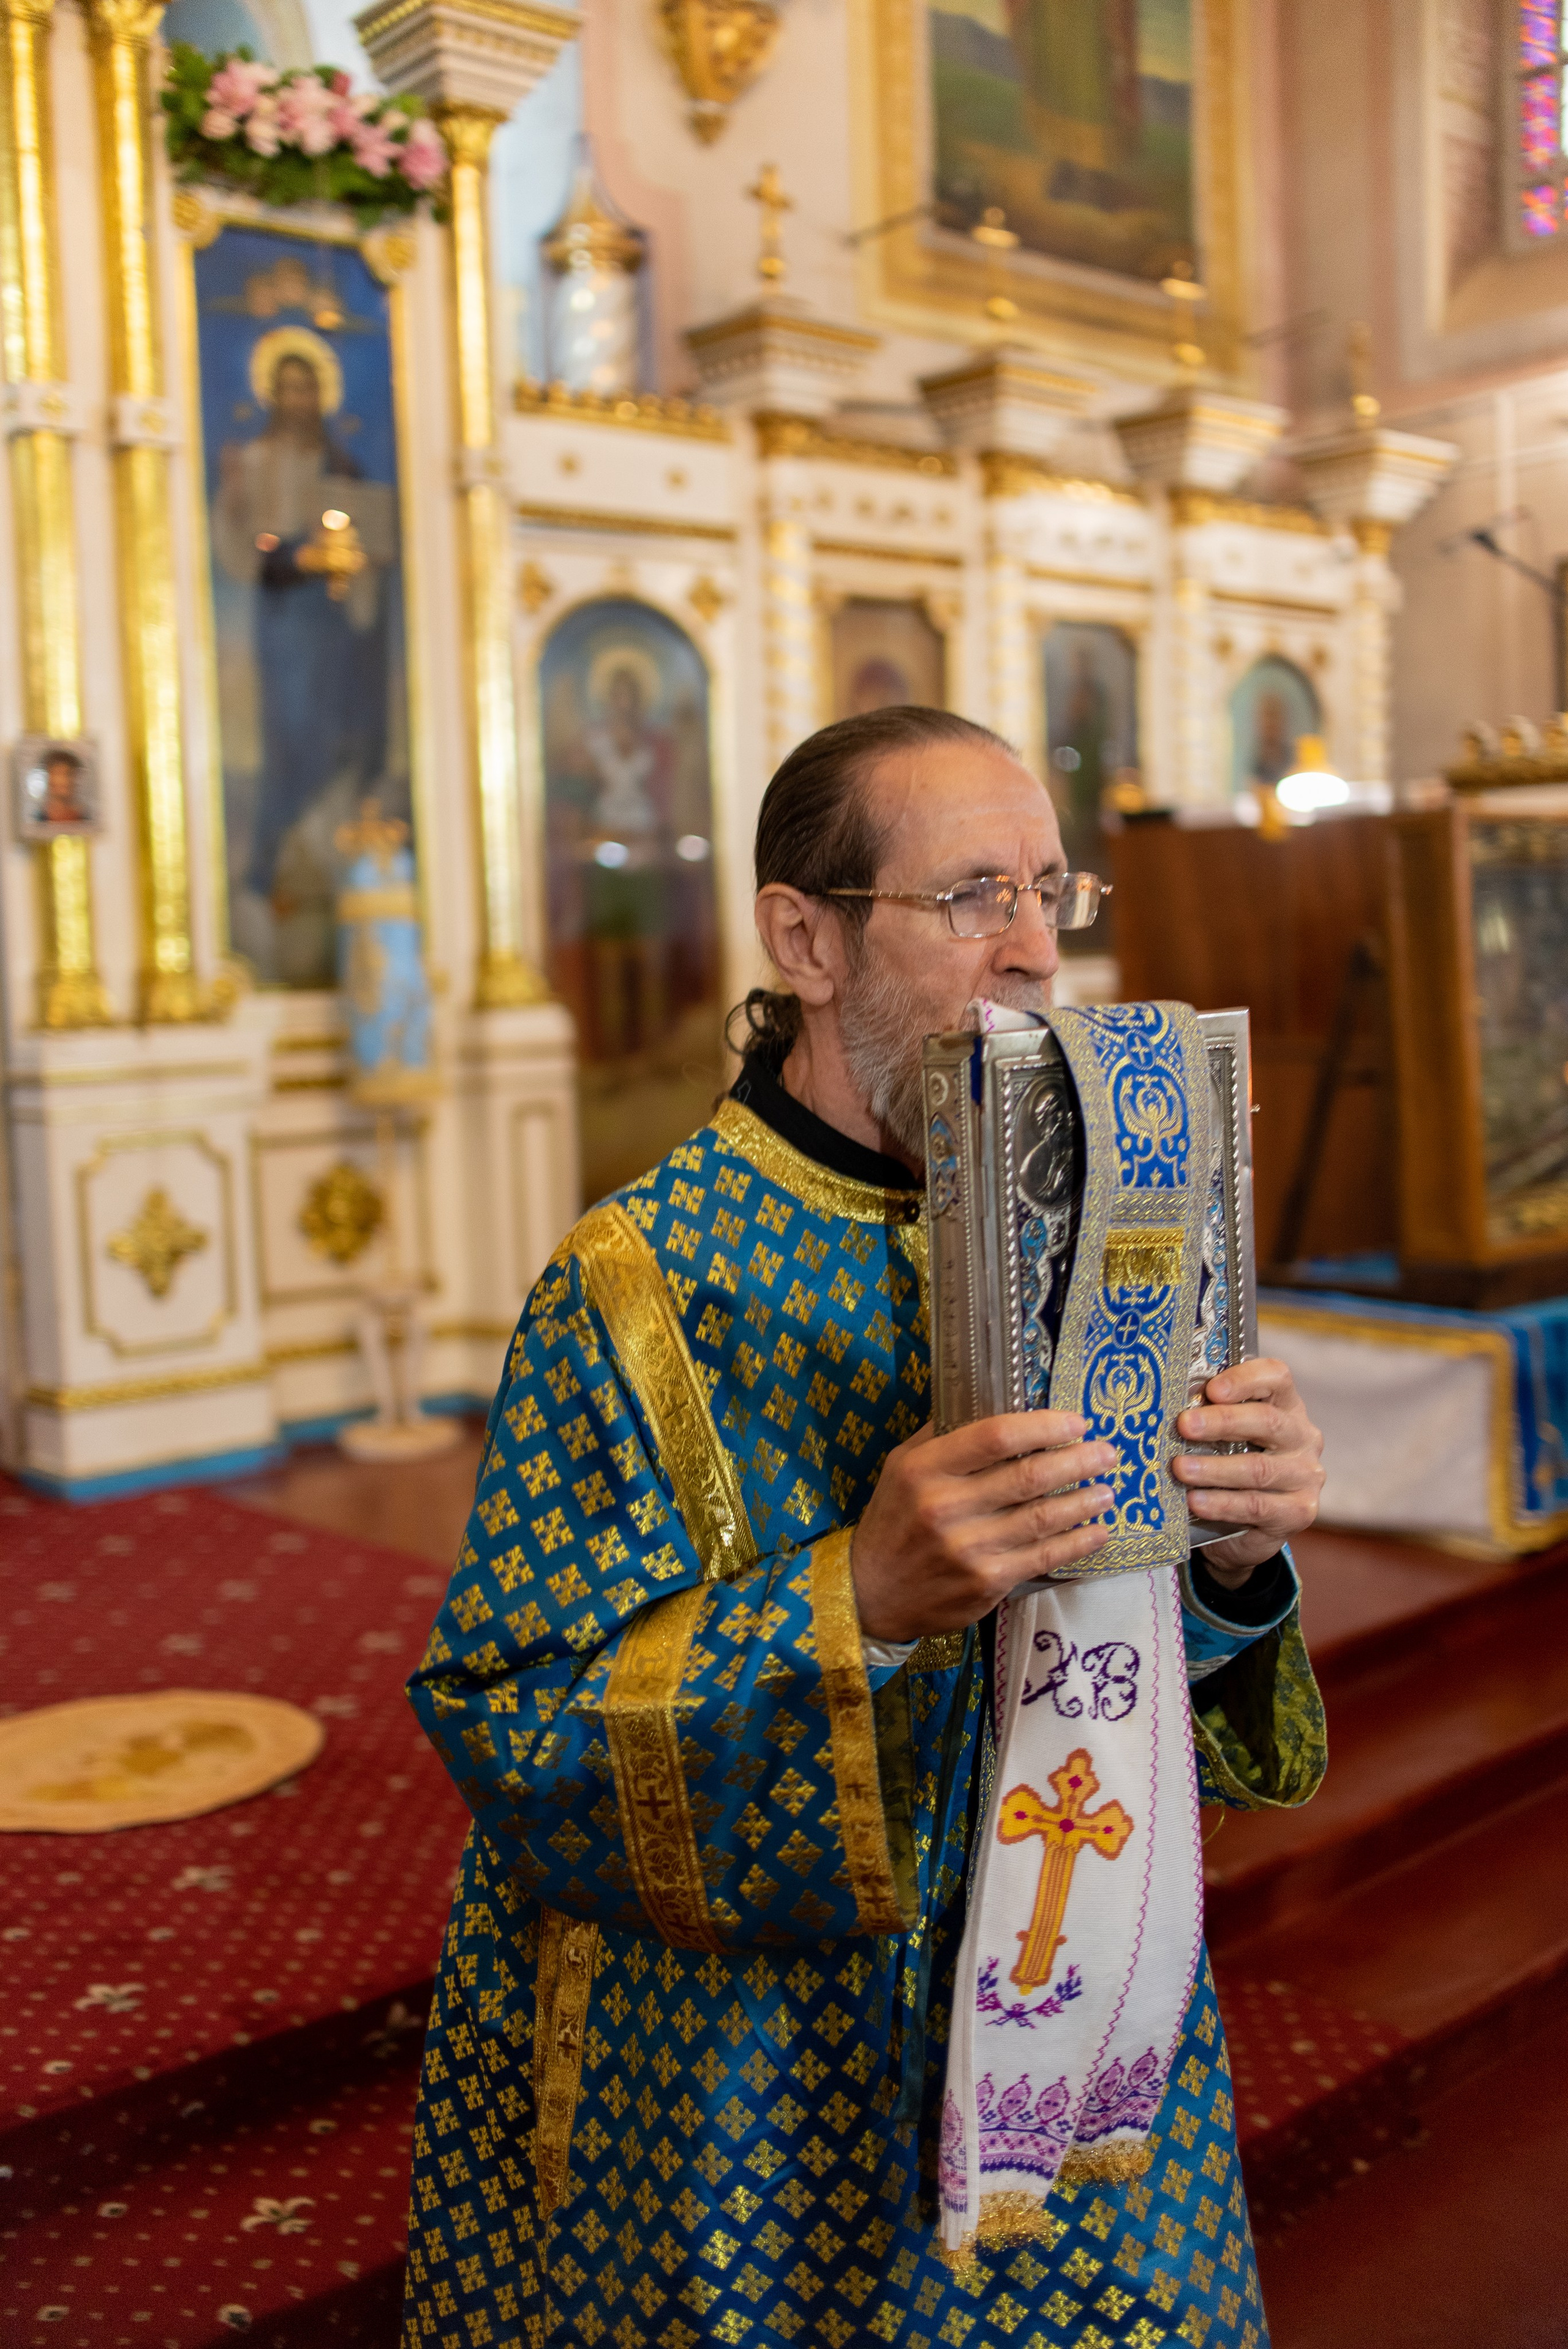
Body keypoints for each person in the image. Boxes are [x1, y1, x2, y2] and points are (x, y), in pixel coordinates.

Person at [402, 706, 1326, 2348]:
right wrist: (859, 1600)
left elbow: (1124, 1662)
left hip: (1075, 2004)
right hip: (762, 2079)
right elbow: (514, 1727)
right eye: (975, 896)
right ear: (803, 936)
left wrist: (1236, 1555)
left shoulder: (1119, 1214)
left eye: (1056, 888)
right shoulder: (638, 1285)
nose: (1039, 948)